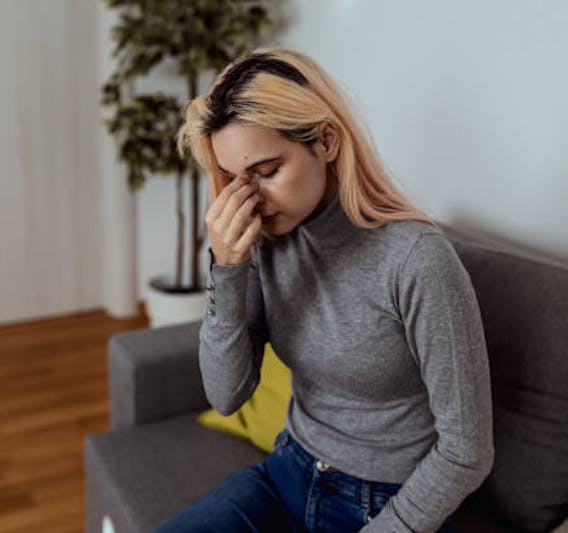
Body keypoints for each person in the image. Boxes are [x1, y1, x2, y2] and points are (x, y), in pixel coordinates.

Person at [154, 47, 494, 532]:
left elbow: (467, 452)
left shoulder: (417, 260)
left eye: (268, 172)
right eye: (233, 178)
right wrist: (227, 268)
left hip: (386, 503)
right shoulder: (263, 242)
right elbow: (227, 395)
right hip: (289, 473)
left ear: (327, 141)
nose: (249, 200)